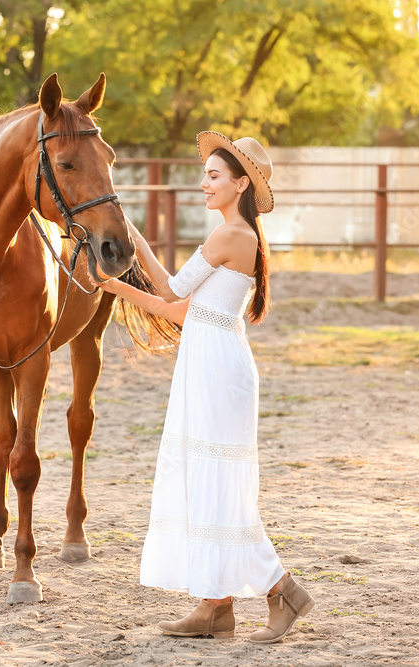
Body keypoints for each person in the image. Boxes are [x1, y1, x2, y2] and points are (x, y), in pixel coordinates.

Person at [93, 131, 314, 644]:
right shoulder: (233, 237)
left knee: (221, 487)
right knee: (207, 481)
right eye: (206, 174)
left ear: (240, 185)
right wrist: (116, 285)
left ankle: (283, 589)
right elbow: (178, 311)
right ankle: (215, 607)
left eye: (214, 176)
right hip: (208, 359)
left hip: (218, 367)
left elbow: (171, 288)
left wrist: (137, 243)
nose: (203, 183)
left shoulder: (231, 236)